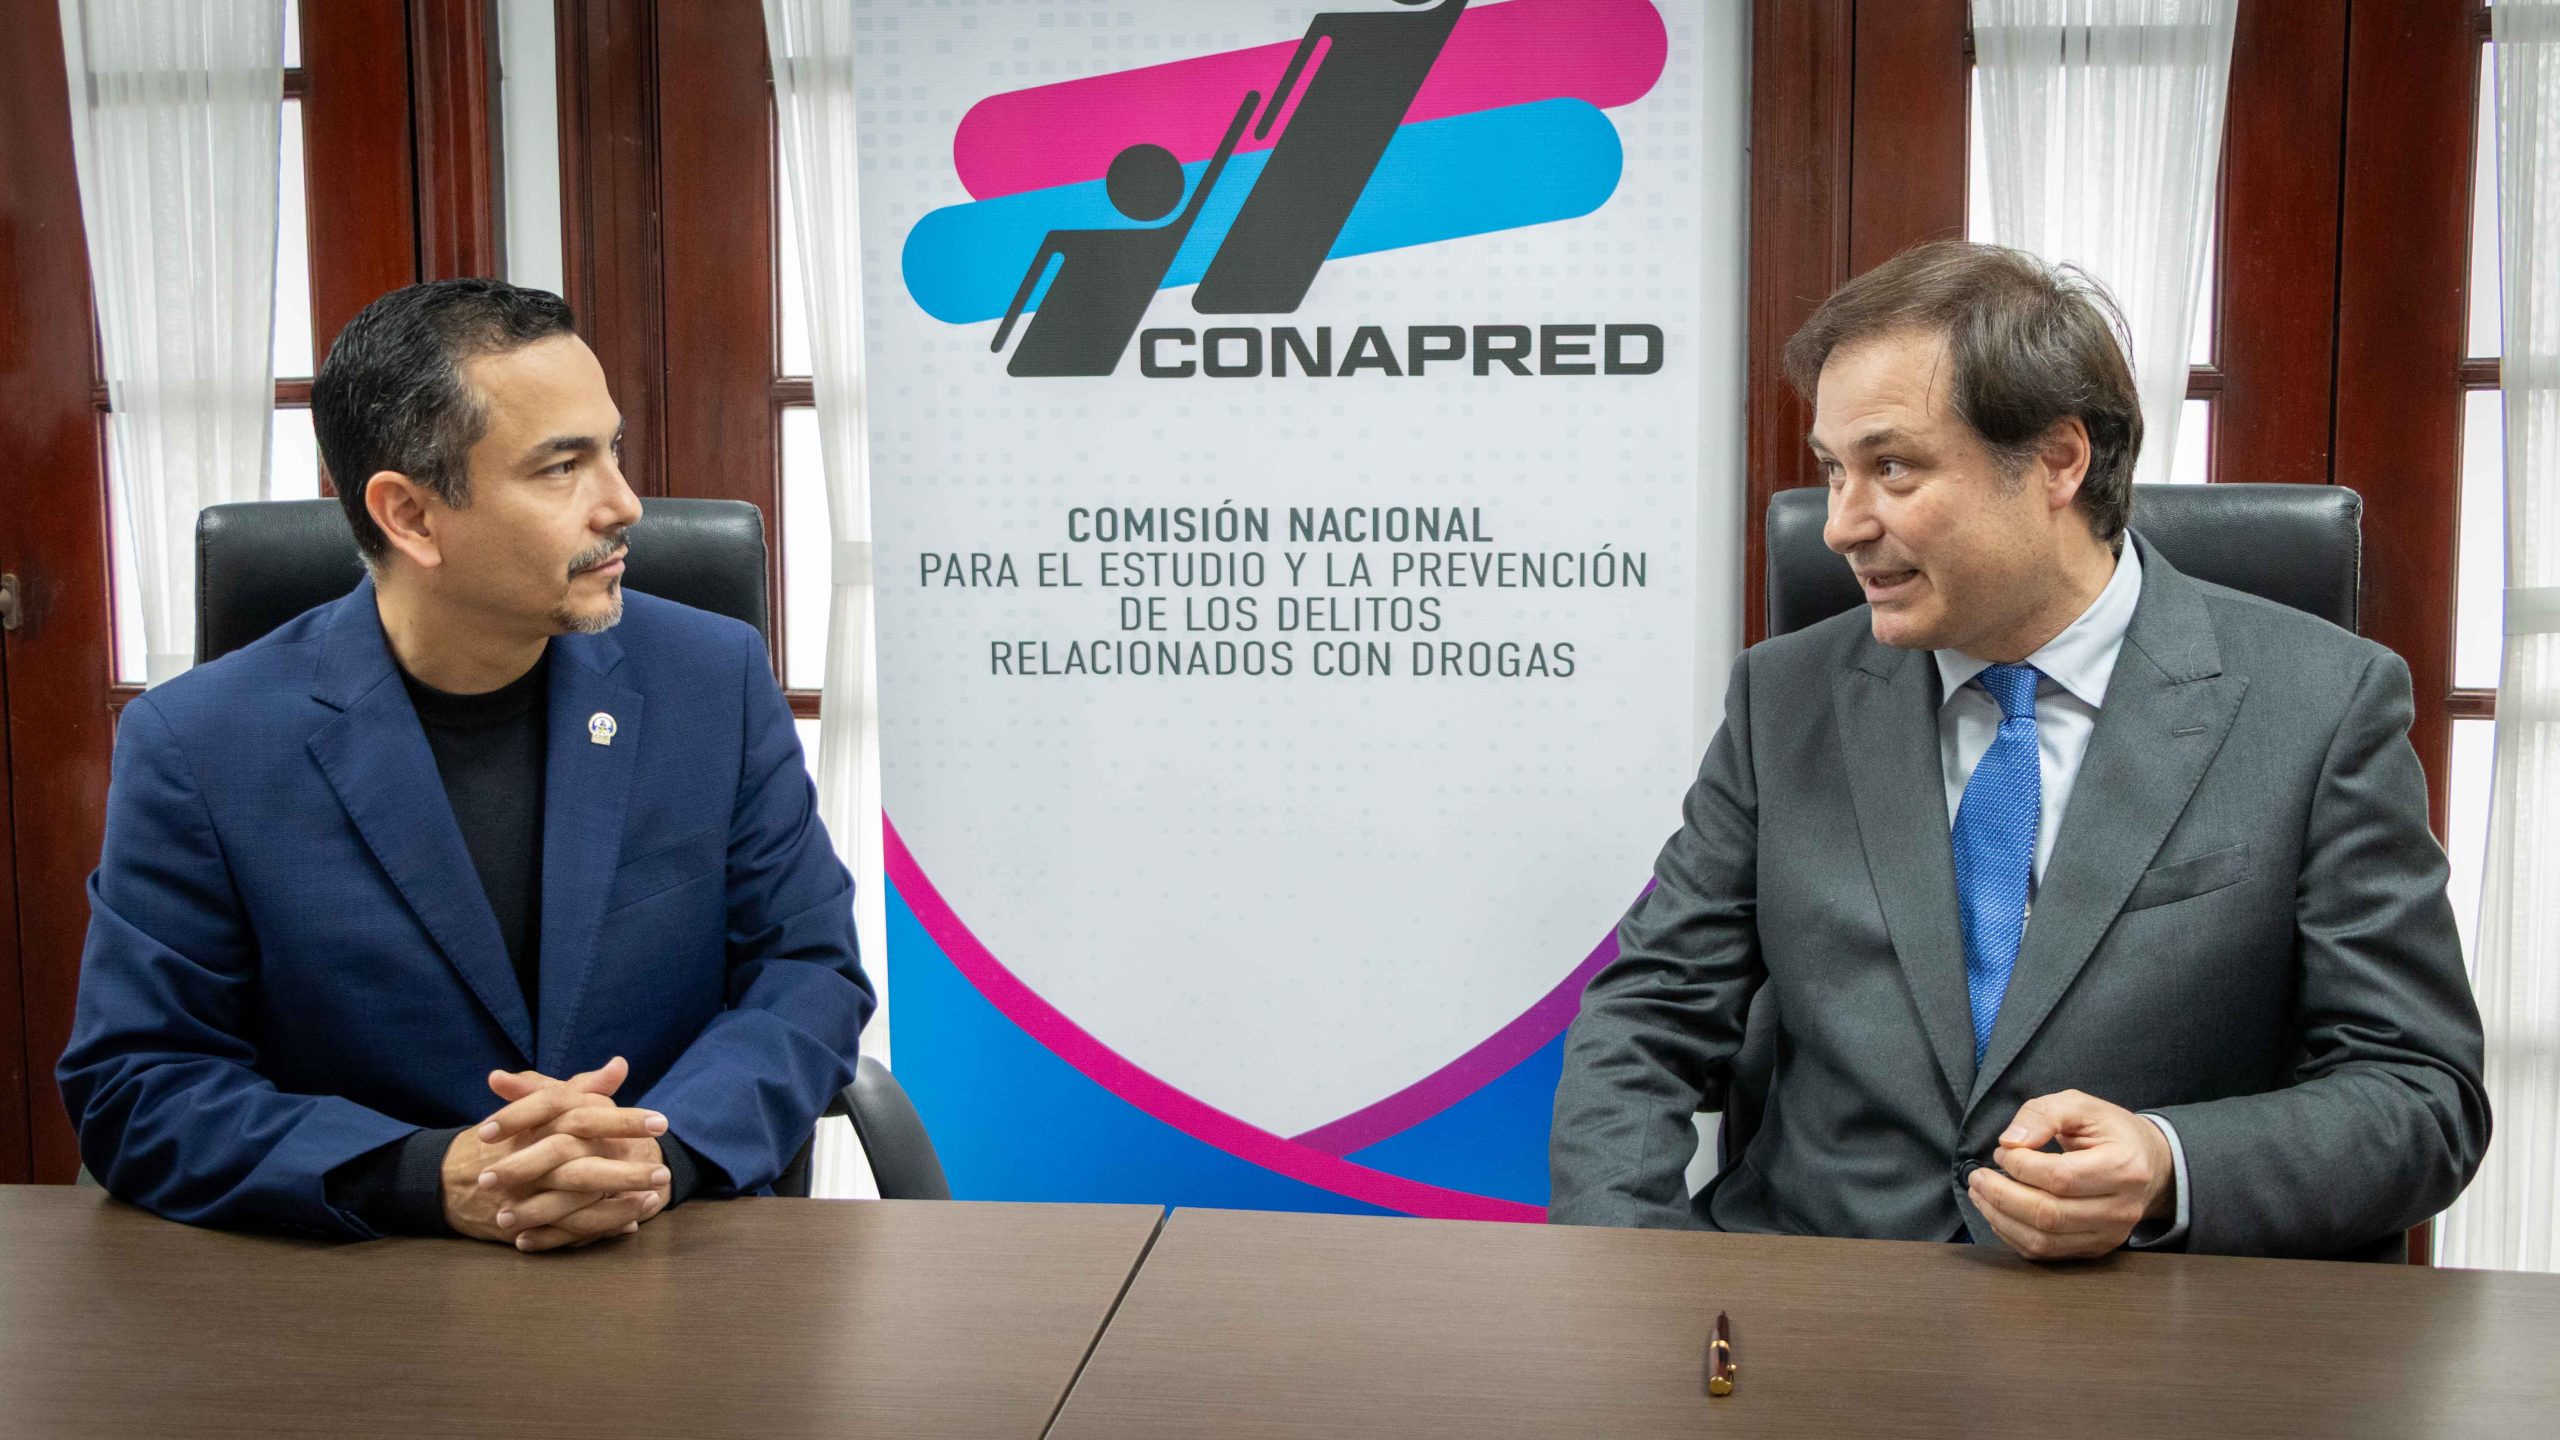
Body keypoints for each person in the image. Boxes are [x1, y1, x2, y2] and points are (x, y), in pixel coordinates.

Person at [1548, 241, 2489, 1260]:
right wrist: (1637, 1281)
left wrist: (2166, 1163)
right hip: (1822, 1299)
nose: (1841, 525)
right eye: (1832, 470)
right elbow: (1647, 1019)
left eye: (1892, 467)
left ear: (2056, 461)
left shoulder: (2319, 704)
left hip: (2146, 1323)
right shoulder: (1784, 698)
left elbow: (2420, 1095)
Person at [59, 278, 875, 1250]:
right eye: (561, 467)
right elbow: (138, 1082)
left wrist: (657, 1151)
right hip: (365, 1283)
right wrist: (426, 1176)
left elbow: (807, 973)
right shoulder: (200, 744)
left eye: (611, 448)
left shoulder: (711, 680)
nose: (623, 503)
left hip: (677, 1256)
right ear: (409, 515)